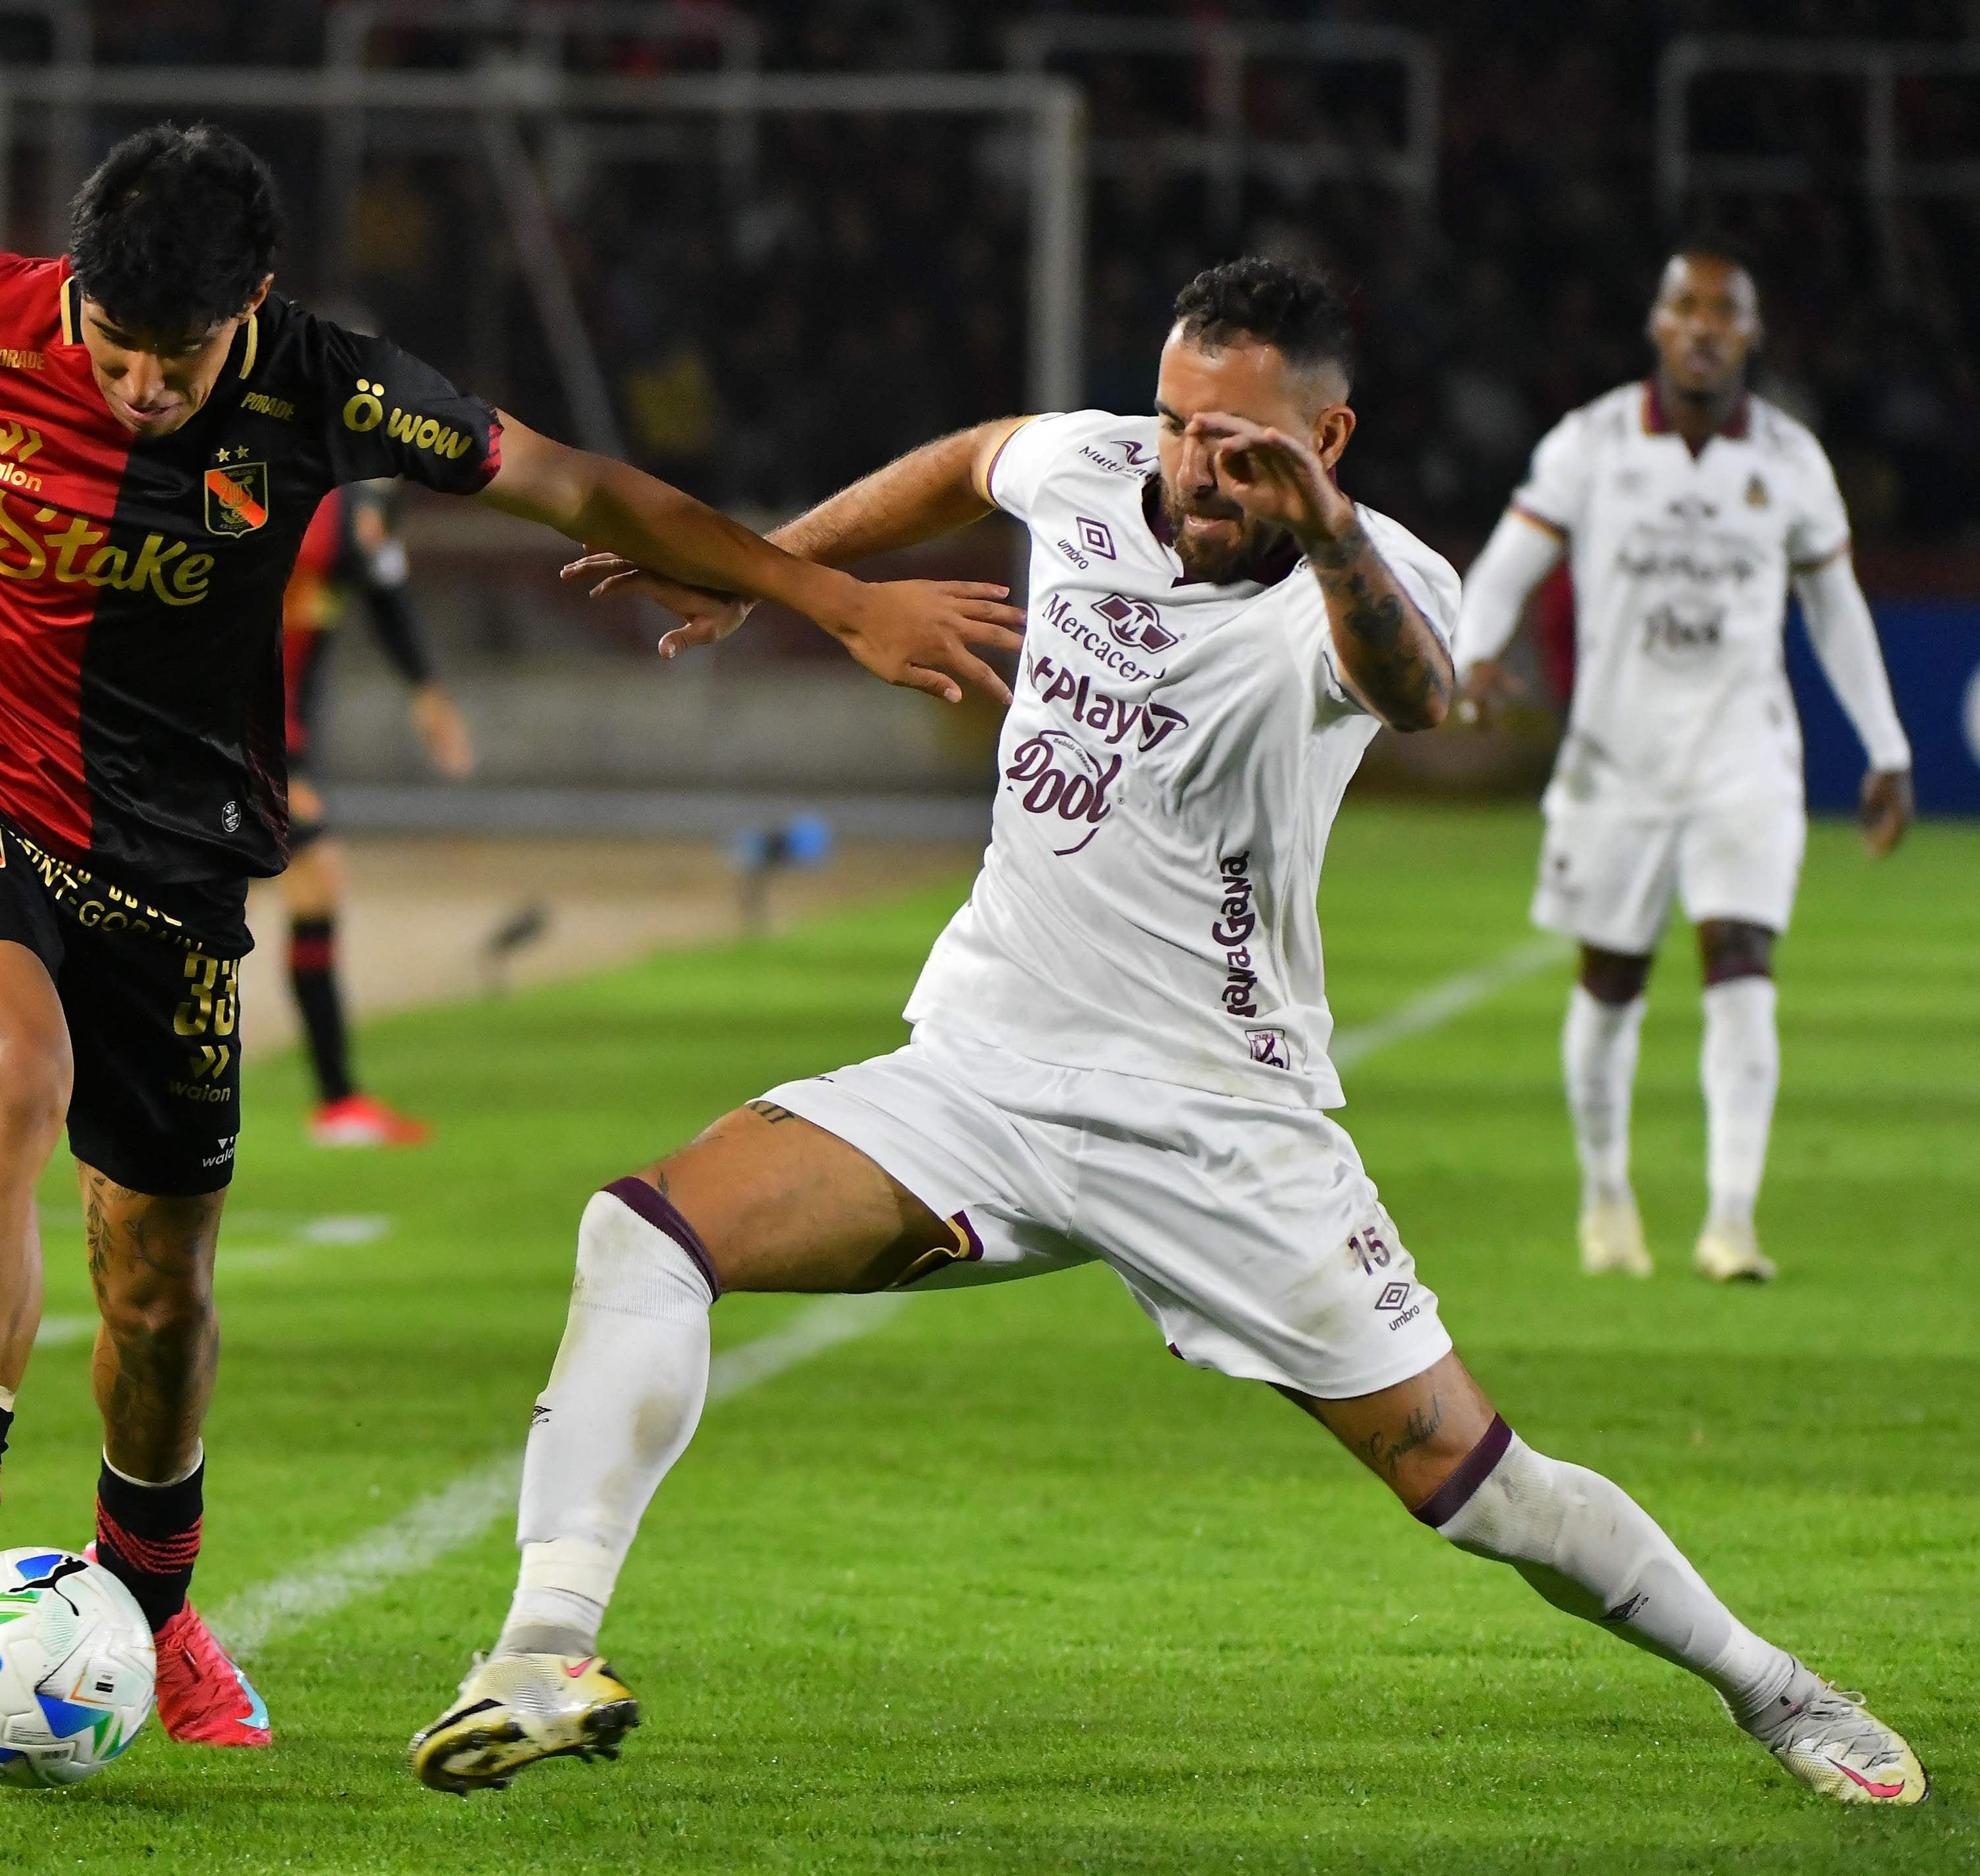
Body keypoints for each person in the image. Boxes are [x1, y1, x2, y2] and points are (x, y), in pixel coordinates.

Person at [0, 123, 1018, 1762]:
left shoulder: (327, 385)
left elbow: (578, 482)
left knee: (155, 1279)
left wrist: (824, 596)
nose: (141, 389)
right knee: (5, 1066)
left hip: (182, 859)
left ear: (255, 306)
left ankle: (154, 1595)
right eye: (115, 353)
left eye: (179, 360)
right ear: (71, 291)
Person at [407, 259, 1926, 1807]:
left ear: (1328, 443)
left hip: (1217, 1118)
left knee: (1471, 1484)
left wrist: (1327, 537)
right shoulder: (1094, 465)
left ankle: (1775, 1686)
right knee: (643, 1229)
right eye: (1182, 425)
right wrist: (776, 566)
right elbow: (965, 458)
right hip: (981, 1071)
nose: (1198, 464)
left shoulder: (1380, 573)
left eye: (1246, 444)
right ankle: (541, 1647)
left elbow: (1410, 696)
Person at [1453, 249, 1912, 1285]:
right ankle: (1605, 1192)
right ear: (1655, 325)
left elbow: (1834, 611)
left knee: (1741, 964)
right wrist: (1471, 653)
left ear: (1749, 334)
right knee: (1609, 979)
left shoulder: (1791, 459)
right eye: (1685, 307)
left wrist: (1885, 747)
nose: (1703, 327)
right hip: (1613, 759)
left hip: (1742, 754)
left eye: (1724, 312)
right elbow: (1505, 564)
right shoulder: (1593, 442)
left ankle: (1730, 1219)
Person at [278, 475, 472, 1147]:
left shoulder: (357, 511)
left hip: (263, 739)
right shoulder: (289, 496)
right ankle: (333, 1100)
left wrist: (428, 694)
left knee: (311, 882)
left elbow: (388, 592)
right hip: (228, 733)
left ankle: (335, 1101)